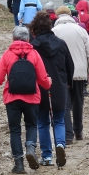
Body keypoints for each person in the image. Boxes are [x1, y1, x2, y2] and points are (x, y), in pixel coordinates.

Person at [0, 26, 52, 174]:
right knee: (31, 125)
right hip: (32, 97)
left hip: (12, 98)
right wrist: (49, 82)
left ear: (13, 39)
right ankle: (30, 147)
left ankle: (19, 164)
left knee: (15, 130)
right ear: (28, 38)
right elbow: (43, 80)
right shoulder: (34, 54)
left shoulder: (7, 55)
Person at [29, 12, 74, 167]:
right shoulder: (61, 43)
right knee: (59, 121)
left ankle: (47, 156)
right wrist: (68, 84)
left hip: (40, 89)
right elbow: (70, 66)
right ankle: (60, 145)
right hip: (59, 87)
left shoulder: (33, 46)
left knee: (42, 123)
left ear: (34, 28)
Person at [52, 6, 89, 144]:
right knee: (78, 102)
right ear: (70, 15)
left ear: (57, 16)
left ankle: (68, 135)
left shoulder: (54, 31)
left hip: (62, 74)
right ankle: (79, 131)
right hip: (79, 72)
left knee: (64, 104)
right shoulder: (80, 30)